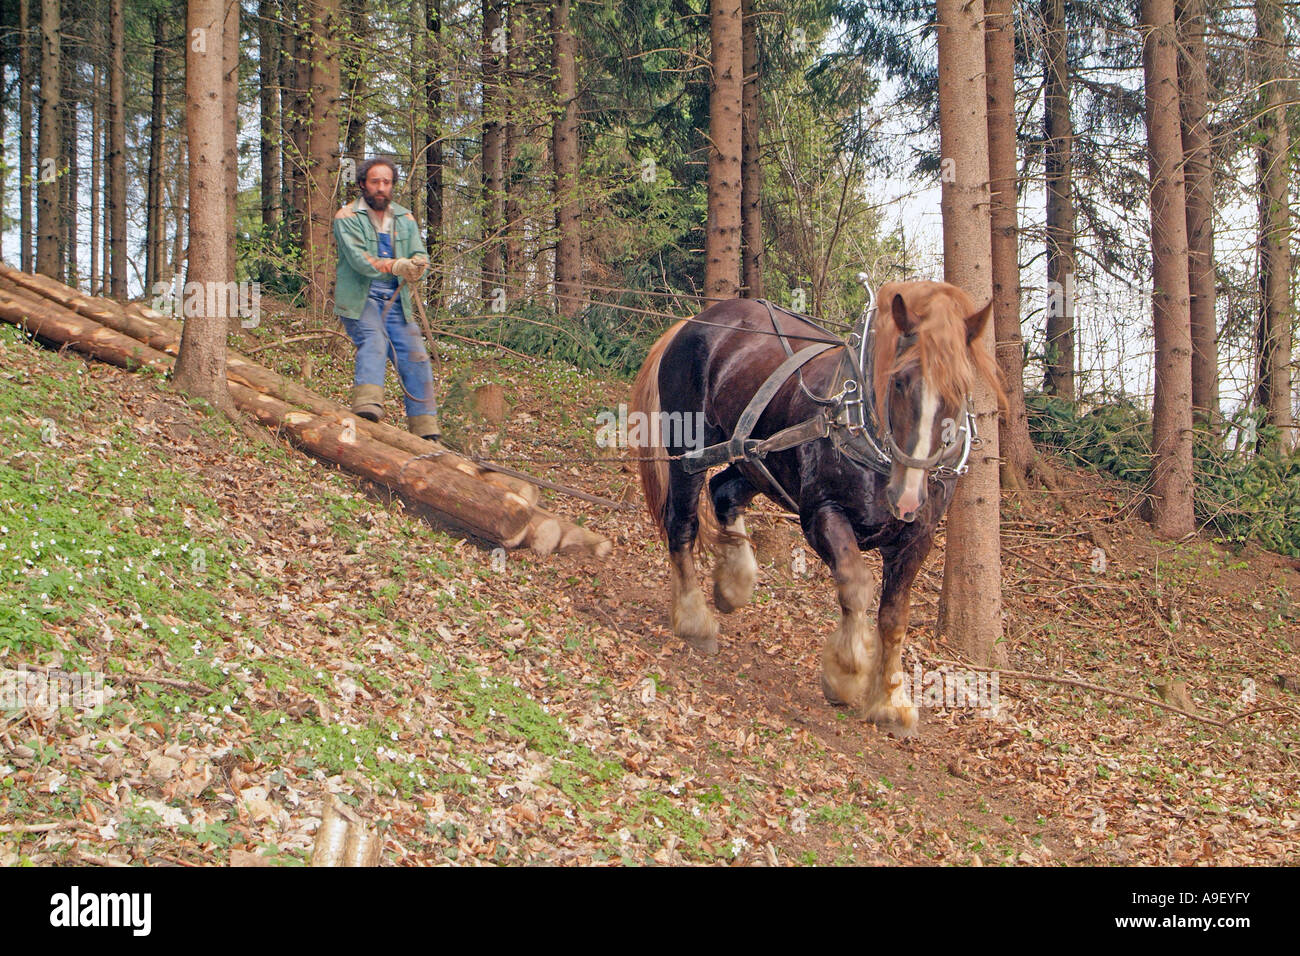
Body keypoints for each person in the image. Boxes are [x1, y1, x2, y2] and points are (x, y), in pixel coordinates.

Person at [333, 156, 440, 440]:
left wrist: (417, 266)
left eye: (387, 182)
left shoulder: (405, 219)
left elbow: (420, 254)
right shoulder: (346, 217)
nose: (381, 188)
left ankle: (425, 429)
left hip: (397, 301)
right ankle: (367, 407)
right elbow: (359, 260)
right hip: (361, 297)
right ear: (362, 185)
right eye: (375, 182)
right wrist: (396, 265)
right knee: (375, 340)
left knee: (416, 355)